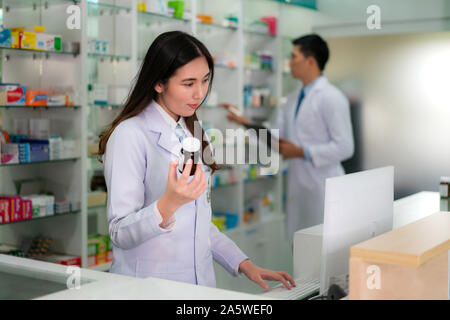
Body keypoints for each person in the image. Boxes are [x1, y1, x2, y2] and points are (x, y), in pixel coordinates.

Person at [98, 31, 295, 291]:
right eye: (188, 84)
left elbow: (199, 223)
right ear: (159, 83)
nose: (199, 93)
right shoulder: (130, 134)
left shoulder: (193, 130)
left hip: (199, 286)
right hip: (148, 287)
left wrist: (244, 264)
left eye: (205, 81)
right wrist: (168, 205)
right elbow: (119, 232)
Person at [221, 34, 354, 243]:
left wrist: (301, 152)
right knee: (301, 252)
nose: (289, 62)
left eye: (293, 57)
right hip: (298, 188)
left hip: (324, 188)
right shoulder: (292, 99)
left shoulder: (331, 97)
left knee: (324, 254)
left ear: (310, 61)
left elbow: (345, 147)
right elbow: (275, 137)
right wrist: (243, 122)